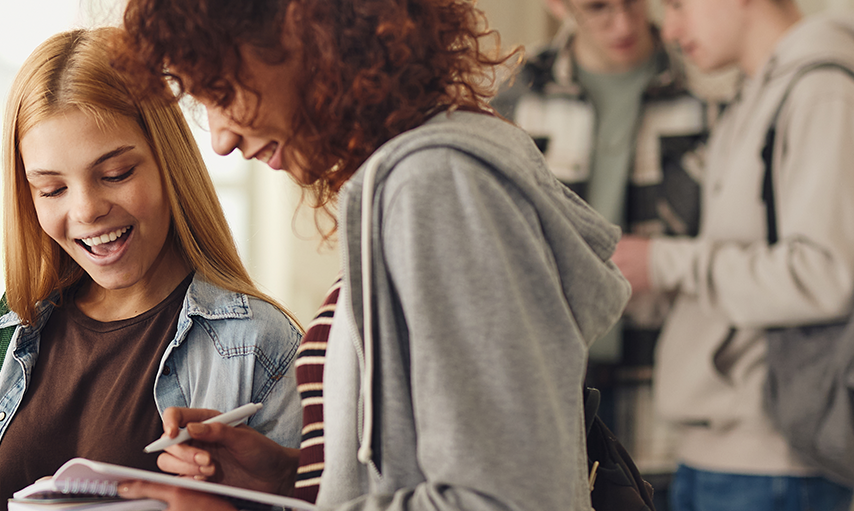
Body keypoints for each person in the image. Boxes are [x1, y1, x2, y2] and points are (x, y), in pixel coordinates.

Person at [113, 0, 632, 508]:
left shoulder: (435, 186)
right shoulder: (413, 177)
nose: (221, 138)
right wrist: (291, 477)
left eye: (220, 91)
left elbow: (505, 498)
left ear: (305, 28)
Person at [0, 27, 303, 511]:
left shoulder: (261, 347)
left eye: (115, 174)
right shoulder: (12, 331)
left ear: (169, 163)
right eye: (52, 189)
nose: (87, 211)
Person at [621, 1, 854, 508]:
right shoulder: (755, 94)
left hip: (774, 466)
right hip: (719, 454)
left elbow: (826, 274)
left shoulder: (822, 89)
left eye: (679, 4)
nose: (672, 28)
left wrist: (662, 262)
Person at [491, 0, 710, 435]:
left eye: (633, 3)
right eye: (598, 8)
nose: (625, 24)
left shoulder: (707, 89)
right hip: (550, 381)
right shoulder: (512, 94)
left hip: (673, 382)